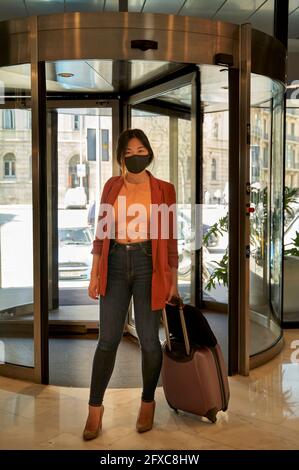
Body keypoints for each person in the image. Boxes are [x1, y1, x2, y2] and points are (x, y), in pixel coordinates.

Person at [83, 129, 180, 441]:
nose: (136, 156)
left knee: (150, 340)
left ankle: (148, 402)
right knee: (107, 340)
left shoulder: (164, 189)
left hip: (148, 265)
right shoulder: (112, 186)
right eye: (129, 152)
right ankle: (94, 410)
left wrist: (173, 281)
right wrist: (95, 273)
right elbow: (101, 235)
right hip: (113, 264)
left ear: (149, 153)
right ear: (121, 157)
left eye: (141, 150)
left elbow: (171, 239)